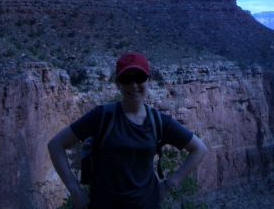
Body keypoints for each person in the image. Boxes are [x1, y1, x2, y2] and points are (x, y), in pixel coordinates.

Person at [48, 52, 207, 209]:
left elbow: (199, 148)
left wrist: (170, 184)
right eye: (126, 79)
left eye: (140, 78)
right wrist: (75, 190)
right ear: (118, 84)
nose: (134, 85)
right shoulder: (103, 116)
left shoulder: (159, 121)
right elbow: (56, 144)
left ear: (148, 80)